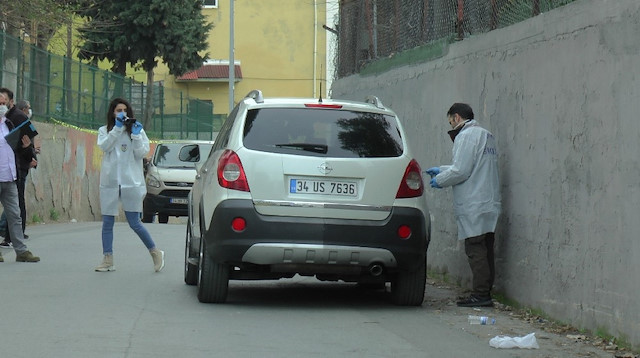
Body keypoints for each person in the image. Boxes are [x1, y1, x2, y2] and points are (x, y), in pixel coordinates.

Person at [425, 103, 501, 307]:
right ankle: (485, 292)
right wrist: (441, 170)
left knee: (475, 249)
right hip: (488, 200)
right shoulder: (486, 135)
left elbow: (461, 171)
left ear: (456, 117)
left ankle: (481, 295)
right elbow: (470, 165)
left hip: (474, 202)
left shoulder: (466, 136)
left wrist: (439, 180)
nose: (450, 124)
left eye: (450, 120)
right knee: (486, 249)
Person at [95, 98, 164, 272]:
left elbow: (142, 153)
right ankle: (108, 259)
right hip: (111, 182)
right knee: (108, 222)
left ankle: (155, 252)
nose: (122, 113)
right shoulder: (104, 131)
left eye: (125, 110)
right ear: (112, 112)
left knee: (134, 222)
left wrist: (136, 136)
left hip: (130, 182)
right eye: (118, 110)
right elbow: (105, 147)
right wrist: (117, 130)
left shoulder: (136, 131)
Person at [0, 89, 39, 262]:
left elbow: (17, 149)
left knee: (15, 214)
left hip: (10, 176)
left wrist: (26, 147)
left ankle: (21, 251)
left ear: (9, 103)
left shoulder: (9, 124)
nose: (1, 106)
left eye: (3, 103)